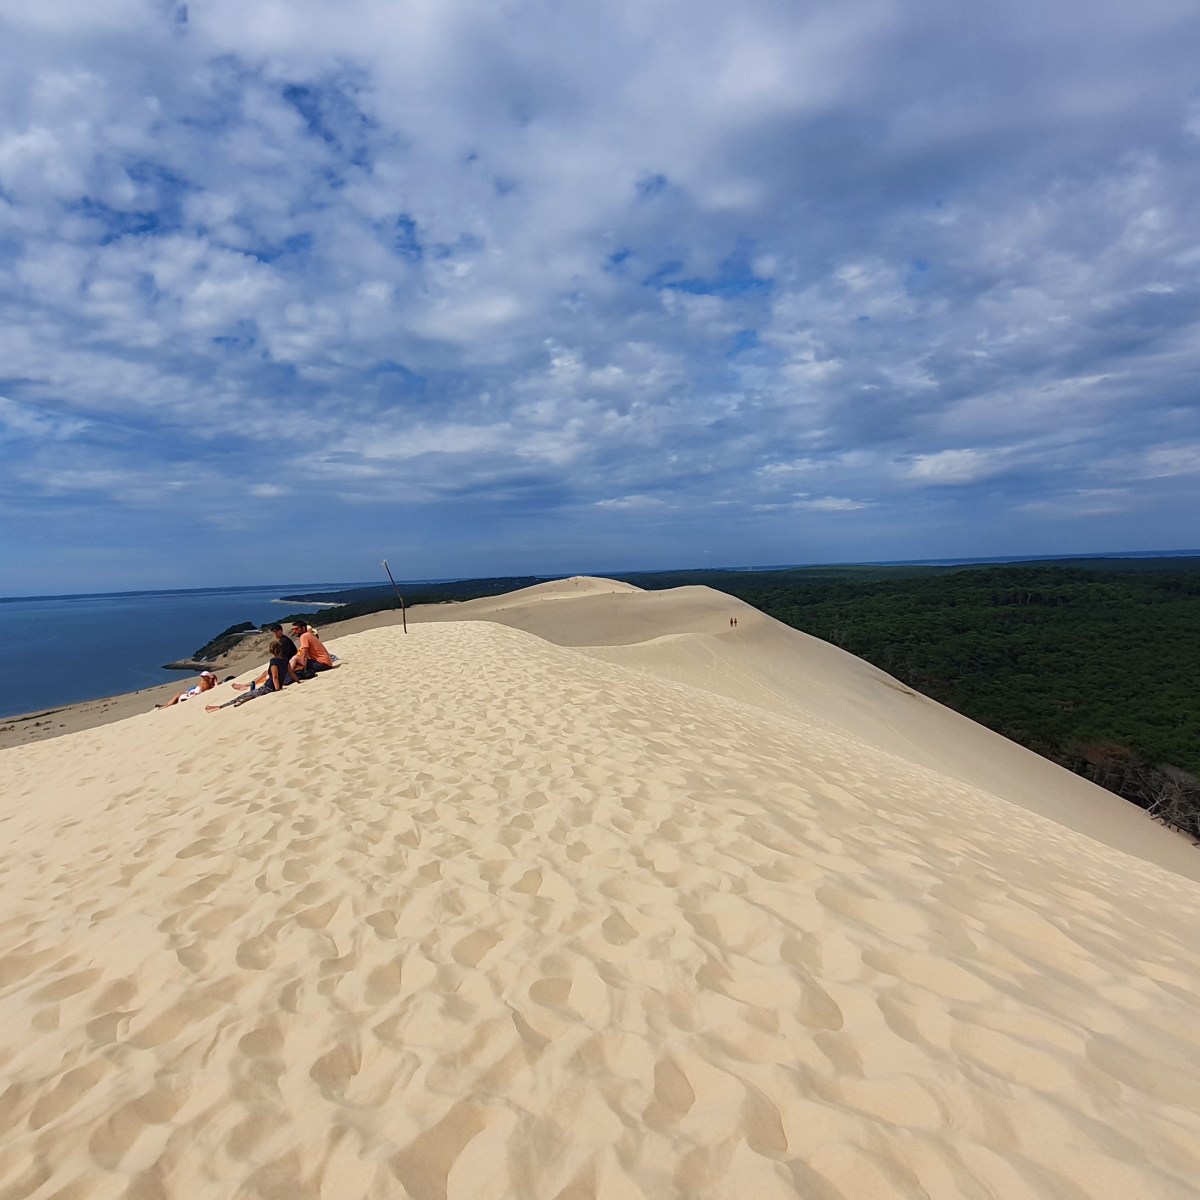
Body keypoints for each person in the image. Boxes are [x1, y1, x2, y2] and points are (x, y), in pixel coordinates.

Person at [206, 641, 300, 711]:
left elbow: (275, 677)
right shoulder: (285, 659)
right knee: (251, 694)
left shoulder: (274, 661)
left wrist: (278, 690)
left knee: (243, 696)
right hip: (271, 688)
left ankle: (219, 707)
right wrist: (298, 681)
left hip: (268, 688)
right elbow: (291, 672)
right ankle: (246, 697)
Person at [231, 623, 298, 692]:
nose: (275, 634)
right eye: (274, 632)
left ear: (280, 631)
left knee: (267, 674)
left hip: (285, 664)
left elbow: (284, 656)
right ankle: (247, 685)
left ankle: (247, 686)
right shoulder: (283, 640)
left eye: (276, 632)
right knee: (266, 673)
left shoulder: (284, 641)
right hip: (284, 663)